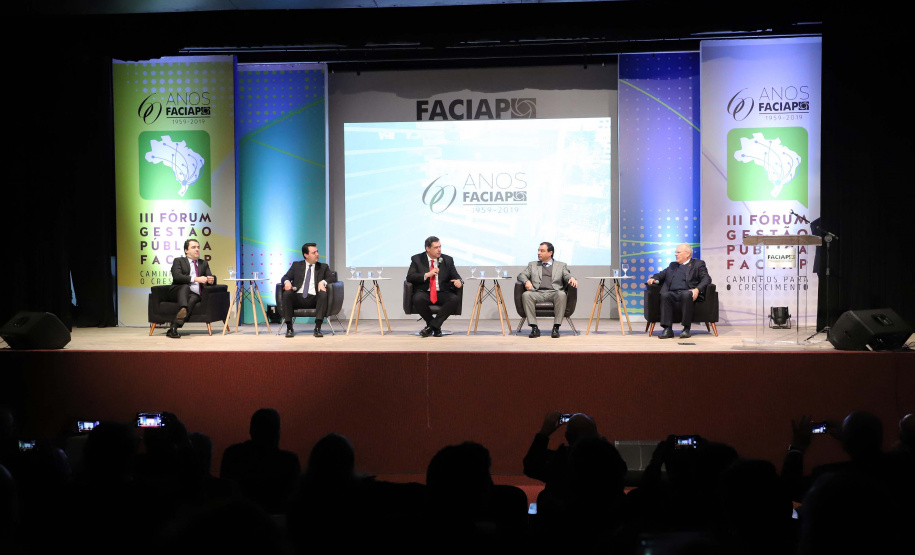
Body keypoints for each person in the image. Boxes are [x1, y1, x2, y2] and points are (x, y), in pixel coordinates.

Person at [646, 243, 711, 339]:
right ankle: (667, 329)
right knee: (665, 296)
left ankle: (686, 329)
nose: (676, 254)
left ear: (687, 254)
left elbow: (707, 279)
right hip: (673, 293)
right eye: (675, 252)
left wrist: (697, 290)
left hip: (688, 292)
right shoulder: (673, 265)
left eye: (678, 252)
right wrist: (653, 278)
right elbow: (661, 274)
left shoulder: (698, 264)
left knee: (686, 294)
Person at [517, 242, 578, 338]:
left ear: (550, 253)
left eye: (542, 251)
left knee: (561, 294)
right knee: (526, 295)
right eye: (538, 250)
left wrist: (572, 278)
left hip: (554, 293)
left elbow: (567, 275)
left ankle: (556, 328)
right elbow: (521, 275)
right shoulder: (532, 265)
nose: (539, 253)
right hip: (537, 292)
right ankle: (534, 328)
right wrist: (526, 281)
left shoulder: (561, 265)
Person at [406, 236, 463, 337]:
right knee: (417, 298)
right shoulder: (417, 259)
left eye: (440, 247)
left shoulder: (447, 260)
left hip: (442, 292)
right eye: (436, 247)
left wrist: (459, 281)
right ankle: (436, 327)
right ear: (427, 248)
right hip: (425, 292)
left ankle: (431, 327)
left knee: (454, 299)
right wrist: (427, 274)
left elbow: (457, 277)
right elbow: (410, 277)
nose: (439, 250)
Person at [280, 242, 335, 338]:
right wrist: (287, 282)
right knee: (287, 294)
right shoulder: (296, 265)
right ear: (306, 255)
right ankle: (289, 328)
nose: (317, 254)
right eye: (314, 253)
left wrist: (323, 282)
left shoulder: (323, 267)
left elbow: (332, 278)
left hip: (314, 298)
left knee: (323, 294)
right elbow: (285, 277)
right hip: (298, 297)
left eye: (317, 252)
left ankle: (317, 328)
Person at [166, 238, 216, 339]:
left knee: (193, 298)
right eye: (193, 247)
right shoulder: (178, 261)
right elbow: (177, 276)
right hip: (178, 291)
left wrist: (212, 280)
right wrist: (196, 279)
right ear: (186, 250)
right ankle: (183, 308)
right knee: (185, 286)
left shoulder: (203, 263)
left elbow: (210, 277)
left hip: (195, 294)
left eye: (198, 247)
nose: (197, 249)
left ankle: (174, 328)